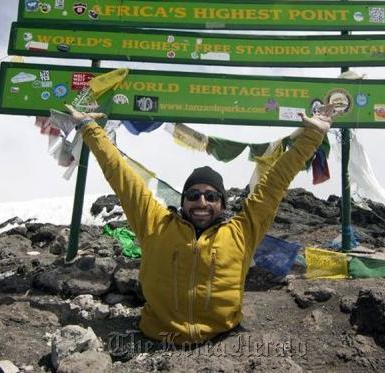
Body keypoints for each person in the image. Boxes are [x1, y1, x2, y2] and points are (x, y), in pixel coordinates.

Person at [65, 103, 334, 344]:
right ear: (183, 201)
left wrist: (313, 135)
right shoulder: (155, 224)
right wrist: (90, 127)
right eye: (193, 195)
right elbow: (121, 175)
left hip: (222, 341)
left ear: (222, 203)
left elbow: (276, 182)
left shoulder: (242, 231)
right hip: (157, 337)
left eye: (211, 196)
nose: (201, 202)